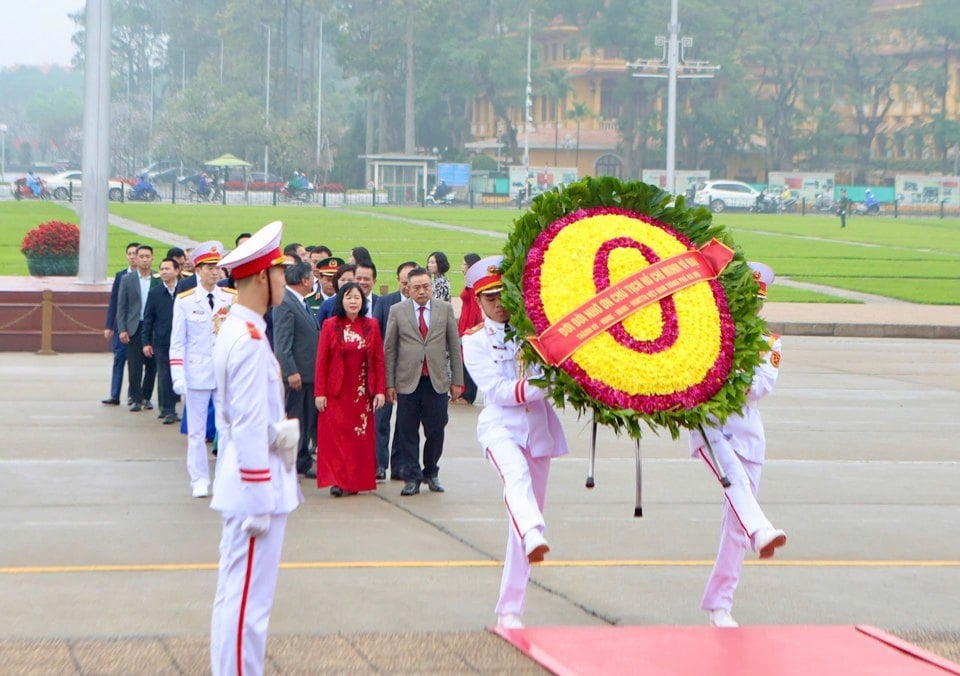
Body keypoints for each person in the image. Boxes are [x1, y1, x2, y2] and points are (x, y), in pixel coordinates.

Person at [208, 220, 302, 676]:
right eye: (281, 271)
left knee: (236, 597)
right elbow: (246, 425)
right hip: (254, 488)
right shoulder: (246, 339)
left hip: (249, 479)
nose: (285, 279)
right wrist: (261, 500)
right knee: (249, 606)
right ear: (263, 276)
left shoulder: (242, 330)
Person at [461, 255, 569, 629]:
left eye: (504, 295)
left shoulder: (534, 331)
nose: (499, 303)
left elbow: (557, 366)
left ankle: (510, 608)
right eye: (490, 298)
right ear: (479, 301)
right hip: (500, 427)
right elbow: (499, 390)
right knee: (516, 480)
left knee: (519, 524)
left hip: (538, 429)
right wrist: (549, 384)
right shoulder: (473, 342)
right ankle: (534, 531)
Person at [688, 261, 785, 629]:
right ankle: (762, 531)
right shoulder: (707, 332)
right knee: (736, 484)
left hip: (747, 435)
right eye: (745, 297)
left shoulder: (769, 342)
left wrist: (729, 383)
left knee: (734, 527)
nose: (752, 306)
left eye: (757, 300)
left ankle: (720, 604)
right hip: (710, 428)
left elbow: (762, 384)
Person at [383, 266, 463, 495]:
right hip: (408, 382)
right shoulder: (397, 311)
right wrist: (390, 383)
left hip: (436, 381)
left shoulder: (444, 309)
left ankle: (431, 472)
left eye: (426, 286)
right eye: (416, 287)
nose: (421, 291)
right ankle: (412, 476)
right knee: (407, 431)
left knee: (436, 429)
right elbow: (390, 349)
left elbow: (454, 347)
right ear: (408, 288)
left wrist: (456, 380)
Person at [171, 242, 237, 498]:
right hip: (196, 373)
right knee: (197, 432)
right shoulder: (186, 301)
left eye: (217, 267)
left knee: (226, 428)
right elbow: (178, 342)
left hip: (223, 374)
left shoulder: (230, 298)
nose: (214, 272)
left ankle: (222, 477)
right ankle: (199, 478)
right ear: (198, 270)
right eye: (209, 267)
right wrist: (178, 375)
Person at [314, 282, 386, 496]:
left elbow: (379, 360)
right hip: (337, 391)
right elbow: (321, 361)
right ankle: (338, 480)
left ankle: (355, 481)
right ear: (341, 300)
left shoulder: (371, 325)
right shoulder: (330, 325)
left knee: (359, 439)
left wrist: (380, 390)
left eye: (357, 297)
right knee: (337, 438)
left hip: (362, 392)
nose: (353, 301)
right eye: (348, 297)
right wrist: (320, 392)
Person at [273, 261, 320, 479]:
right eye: (312, 277)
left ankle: (301, 459)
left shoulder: (300, 301)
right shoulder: (285, 302)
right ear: (303, 280)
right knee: (294, 420)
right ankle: (291, 461)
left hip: (308, 375)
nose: (313, 281)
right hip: (297, 376)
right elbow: (282, 343)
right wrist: (290, 371)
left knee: (305, 420)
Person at [372, 261, 418, 480]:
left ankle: (400, 465)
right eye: (404, 283)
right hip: (386, 370)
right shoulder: (385, 302)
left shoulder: (426, 305)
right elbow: (377, 336)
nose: (408, 287)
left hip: (412, 373)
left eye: (412, 283)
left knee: (406, 422)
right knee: (381, 418)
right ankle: (379, 464)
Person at [116, 245, 159, 412]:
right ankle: (135, 398)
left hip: (153, 326)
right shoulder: (128, 279)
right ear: (136, 258)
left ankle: (147, 397)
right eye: (141, 256)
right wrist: (122, 329)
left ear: (152, 258)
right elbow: (122, 306)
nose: (144, 259)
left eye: (147, 256)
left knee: (151, 364)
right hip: (135, 325)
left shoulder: (158, 278)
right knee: (134, 365)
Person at [142, 257, 182, 424]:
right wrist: (146, 342)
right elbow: (148, 319)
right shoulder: (155, 293)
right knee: (164, 375)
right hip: (162, 341)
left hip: (181, 341)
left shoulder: (185, 291)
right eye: (162, 269)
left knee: (178, 375)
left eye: (167, 269)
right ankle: (168, 409)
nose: (164, 272)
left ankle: (174, 407)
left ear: (177, 271)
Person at [102, 242, 140, 405]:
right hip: (121, 326)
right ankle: (115, 394)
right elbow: (115, 302)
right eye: (129, 253)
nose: (132, 257)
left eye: (135, 254)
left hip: (138, 328)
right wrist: (109, 325)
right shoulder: (121, 275)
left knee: (135, 364)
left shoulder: (148, 277)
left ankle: (134, 395)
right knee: (119, 359)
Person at [457, 253, 483, 405]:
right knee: (462, 358)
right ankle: (463, 391)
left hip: (469, 323)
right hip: (464, 321)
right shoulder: (470, 281)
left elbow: (475, 307)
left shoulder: (474, 283)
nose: (462, 267)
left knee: (467, 358)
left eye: (464, 265)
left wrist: (471, 328)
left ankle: (468, 394)